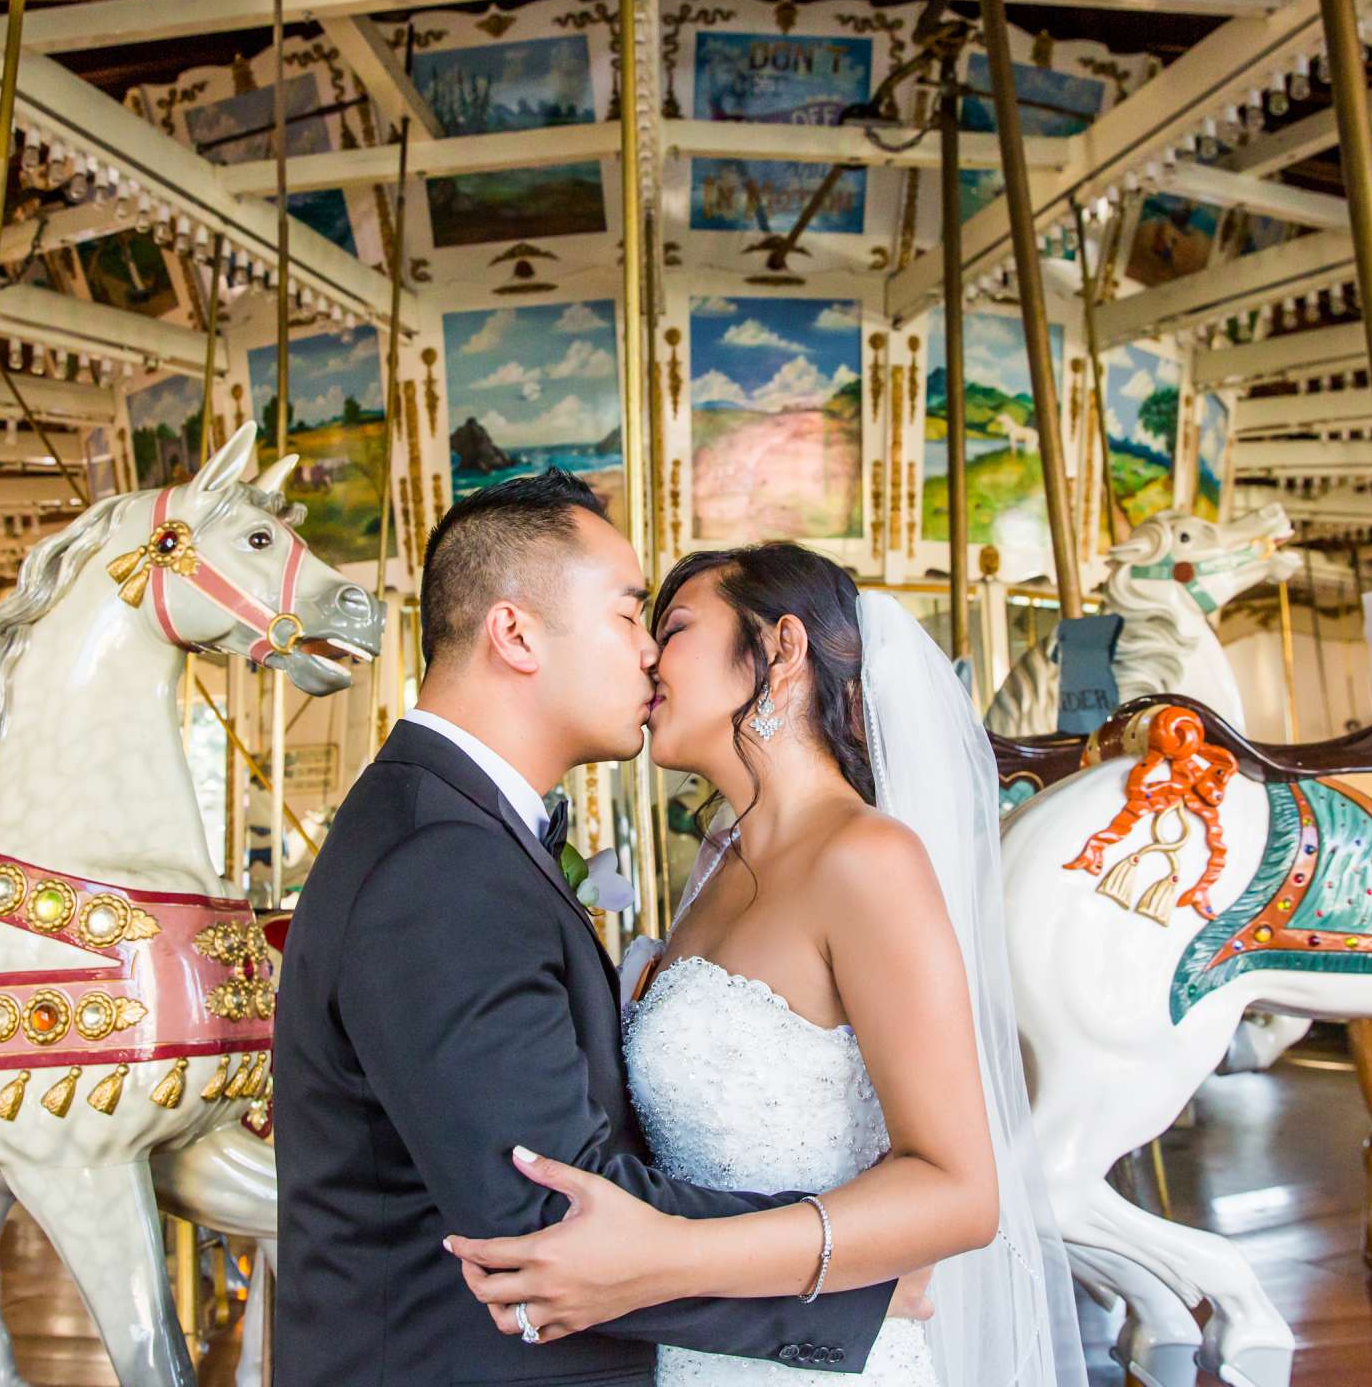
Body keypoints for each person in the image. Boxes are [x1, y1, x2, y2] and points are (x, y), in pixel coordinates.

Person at [273, 473, 921, 1385]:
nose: (650, 657)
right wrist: (855, 1278)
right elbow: (545, 1215)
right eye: (628, 617)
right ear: (516, 632)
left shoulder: (450, 829)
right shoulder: (442, 861)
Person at [445, 543, 1087, 1386]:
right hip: (688, 1355)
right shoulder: (717, 863)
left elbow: (960, 1194)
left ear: (781, 648)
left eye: (671, 628)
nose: (645, 653)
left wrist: (670, 1256)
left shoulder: (866, 859)